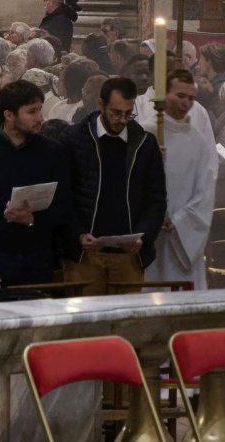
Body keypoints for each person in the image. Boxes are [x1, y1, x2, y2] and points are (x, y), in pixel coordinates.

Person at [61, 77, 166, 296]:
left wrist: (143, 236)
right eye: (116, 112)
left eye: (128, 114)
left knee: (128, 321)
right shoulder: (74, 139)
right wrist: (78, 233)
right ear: (101, 104)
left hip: (129, 254)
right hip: (86, 253)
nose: (122, 120)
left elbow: (156, 197)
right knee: (86, 321)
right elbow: (64, 195)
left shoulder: (144, 143)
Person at [0, 80, 69, 291]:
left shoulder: (53, 152)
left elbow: (64, 206)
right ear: (9, 115)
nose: (40, 118)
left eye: (40, 110)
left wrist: (33, 220)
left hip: (38, 258)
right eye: (31, 112)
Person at [145, 69, 217, 290]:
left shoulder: (198, 141)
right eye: (180, 96)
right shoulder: (147, 133)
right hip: (152, 235)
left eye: (191, 98)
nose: (186, 103)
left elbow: (205, 192)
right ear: (164, 94)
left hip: (183, 236)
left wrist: (179, 221)